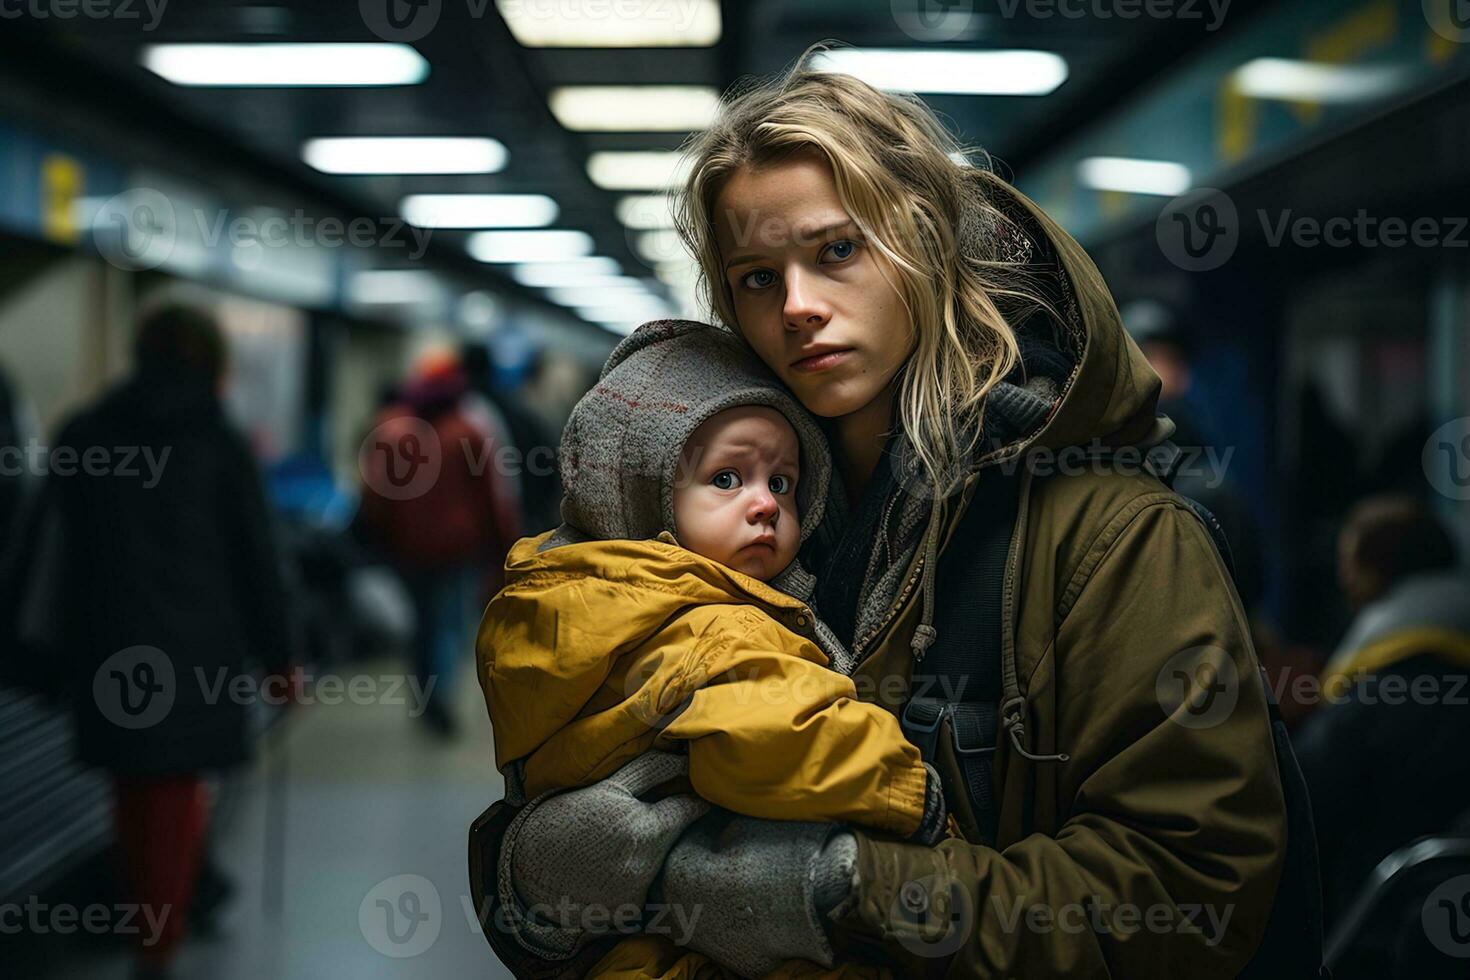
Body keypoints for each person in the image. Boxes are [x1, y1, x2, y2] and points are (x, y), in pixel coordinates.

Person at [482, 52, 1290, 979]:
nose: (797, 308)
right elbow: (558, 795)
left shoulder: (1112, 536)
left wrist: (837, 888)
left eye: (837, 251)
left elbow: (1188, 896)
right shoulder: (734, 523)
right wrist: (529, 888)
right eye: (755, 277)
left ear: (925, 247)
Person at [478, 322, 947, 917]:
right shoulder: (709, 626)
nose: (766, 504)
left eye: (783, 482)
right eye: (727, 479)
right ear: (643, 497)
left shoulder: (567, 593)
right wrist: (909, 791)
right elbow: (776, 736)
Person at [45, 304, 289, 980]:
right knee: (178, 789)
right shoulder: (219, 439)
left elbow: (52, 554)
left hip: (107, 648)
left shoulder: (84, 431)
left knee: (132, 788)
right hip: (195, 653)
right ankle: (162, 937)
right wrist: (280, 656)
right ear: (210, 360)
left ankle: (150, 928)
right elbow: (255, 559)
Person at [1294, 495, 1470, 926]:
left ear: (1379, 573)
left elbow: (1301, 815)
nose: (1343, 578)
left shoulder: (1365, 702)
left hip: (1373, 936)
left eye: (1350, 562)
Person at [358, 349, 520, 736]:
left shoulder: (393, 429)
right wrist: (505, 547)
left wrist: (376, 537)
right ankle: (441, 696)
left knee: (420, 624)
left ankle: (425, 695)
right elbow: (492, 499)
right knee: (448, 623)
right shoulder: (468, 431)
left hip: (407, 548)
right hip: (457, 548)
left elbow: (375, 495)